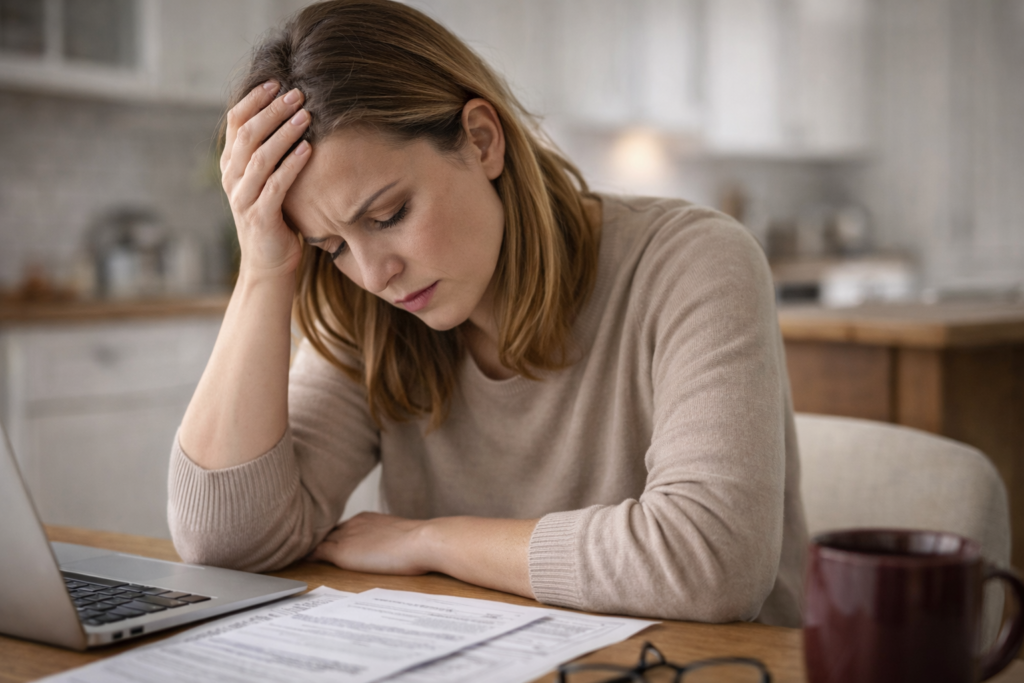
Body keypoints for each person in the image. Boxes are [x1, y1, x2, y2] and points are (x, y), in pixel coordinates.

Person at [169, 0, 807, 627]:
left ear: (481, 140)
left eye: (388, 216)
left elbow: (710, 563)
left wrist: (431, 541)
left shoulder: (693, 261)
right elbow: (225, 545)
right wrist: (262, 269)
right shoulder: (369, 316)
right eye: (331, 247)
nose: (372, 275)